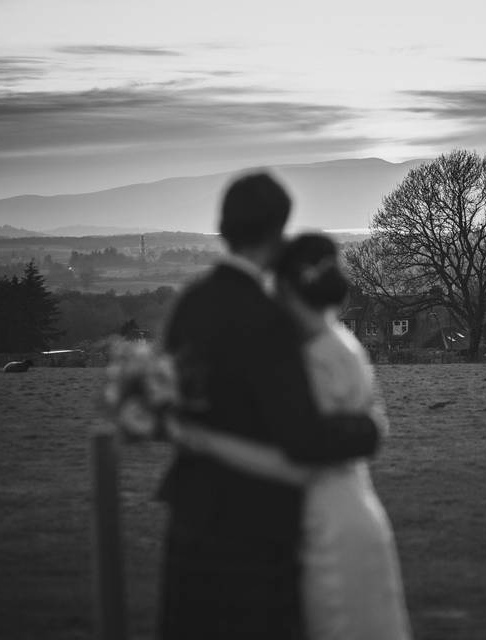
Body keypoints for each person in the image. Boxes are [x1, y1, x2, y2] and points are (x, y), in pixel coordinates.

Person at [158, 173, 381, 640]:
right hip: (255, 528)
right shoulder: (268, 319)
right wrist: (368, 431)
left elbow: (175, 402)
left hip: (190, 512)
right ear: (279, 233)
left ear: (223, 230)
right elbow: (301, 437)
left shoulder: (189, 304)